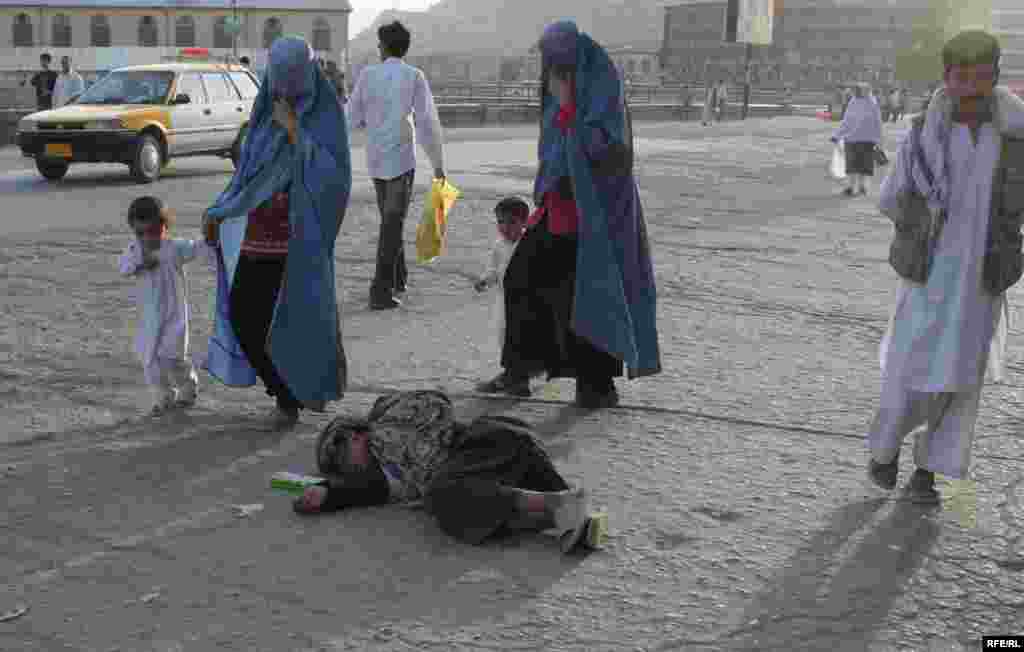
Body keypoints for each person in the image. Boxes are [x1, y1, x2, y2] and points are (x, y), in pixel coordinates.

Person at [869, 30, 1024, 503]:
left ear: (995, 78)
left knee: (960, 380)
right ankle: (886, 450)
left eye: (981, 77)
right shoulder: (921, 133)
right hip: (929, 277)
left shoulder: (1016, 136)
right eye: (962, 77)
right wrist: (926, 226)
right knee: (908, 369)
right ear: (946, 77)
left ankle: (928, 473)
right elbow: (892, 199)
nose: (971, 88)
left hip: (982, 281)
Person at [476, 20, 662, 408]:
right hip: (557, 207)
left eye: (554, 63)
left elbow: (609, 150)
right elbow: (553, 149)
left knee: (588, 296)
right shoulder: (560, 84)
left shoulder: (601, 84)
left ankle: (596, 385)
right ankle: (519, 371)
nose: (549, 70)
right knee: (522, 281)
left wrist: (568, 113)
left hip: (593, 214)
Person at [202, 36, 351, 429]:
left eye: (292, 75)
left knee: (291, 325)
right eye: (279, 75)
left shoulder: (324, 111)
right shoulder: (264, 106)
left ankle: (290, 399)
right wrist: (222, 209)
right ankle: (281, 391)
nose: (285, 84)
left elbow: (336, 179)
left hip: (299, 243)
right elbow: (248, 171)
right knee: (242, 318)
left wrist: (295, 131)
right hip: (257, 236)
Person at [292, 391, 606, 554]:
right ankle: (568, 513)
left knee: (445, 496)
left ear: (355, 435)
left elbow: (434, 402)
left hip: (491, 442)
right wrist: (329, 492)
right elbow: (368, 489)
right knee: (463, 508)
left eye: (340, 457)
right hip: (505, 453)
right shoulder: (385, 467)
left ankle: (556, 507)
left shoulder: (384, 433)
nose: (344, 468)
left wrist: (329, 493)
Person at [346, 21, 446, 310]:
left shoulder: (367, 75)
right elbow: (427, 122)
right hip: (402, 160)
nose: (378, 48)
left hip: (377, 160)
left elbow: (350, 116)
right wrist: (438, 162)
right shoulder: (414, 76)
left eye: (379, 44)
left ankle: (397, 277)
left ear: (385, 46)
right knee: (392, 223)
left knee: (390, 221)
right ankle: (381, 289)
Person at [118, 197, 215, 416]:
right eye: (140, 233)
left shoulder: (174, 248)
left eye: (152, 231)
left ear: (164, 226)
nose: (146, 238)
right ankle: (163, 398)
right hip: (149, 318)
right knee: (150, 360)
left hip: (174, 316)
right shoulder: (135, 251)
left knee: (173, 358)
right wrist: (140, 264)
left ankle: (188, 387)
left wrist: (211, 234)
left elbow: (198, 248)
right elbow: (123, 267)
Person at [473, 196, 531, 358]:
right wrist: (484, 281)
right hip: (504, 298)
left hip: (526, 299)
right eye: (500, 222)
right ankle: (511, 366)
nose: (505, 227)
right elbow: (493, 270)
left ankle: (522, 368)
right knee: (503, 331)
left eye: (512, 222)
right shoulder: (499, 245)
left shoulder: (528, 244)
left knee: (524, 333)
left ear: (524, 222)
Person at [830, 83, 883, 197]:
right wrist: (878, 139)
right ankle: (860, 187)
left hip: (855, 140)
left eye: (858, 90)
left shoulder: (855, 102)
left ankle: (854, 188)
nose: (857, 92)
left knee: (854, 166)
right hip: (864, 140)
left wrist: (837, 135)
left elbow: (846, 121)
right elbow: (877, 123)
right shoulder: (871, 103)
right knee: (862, 166)